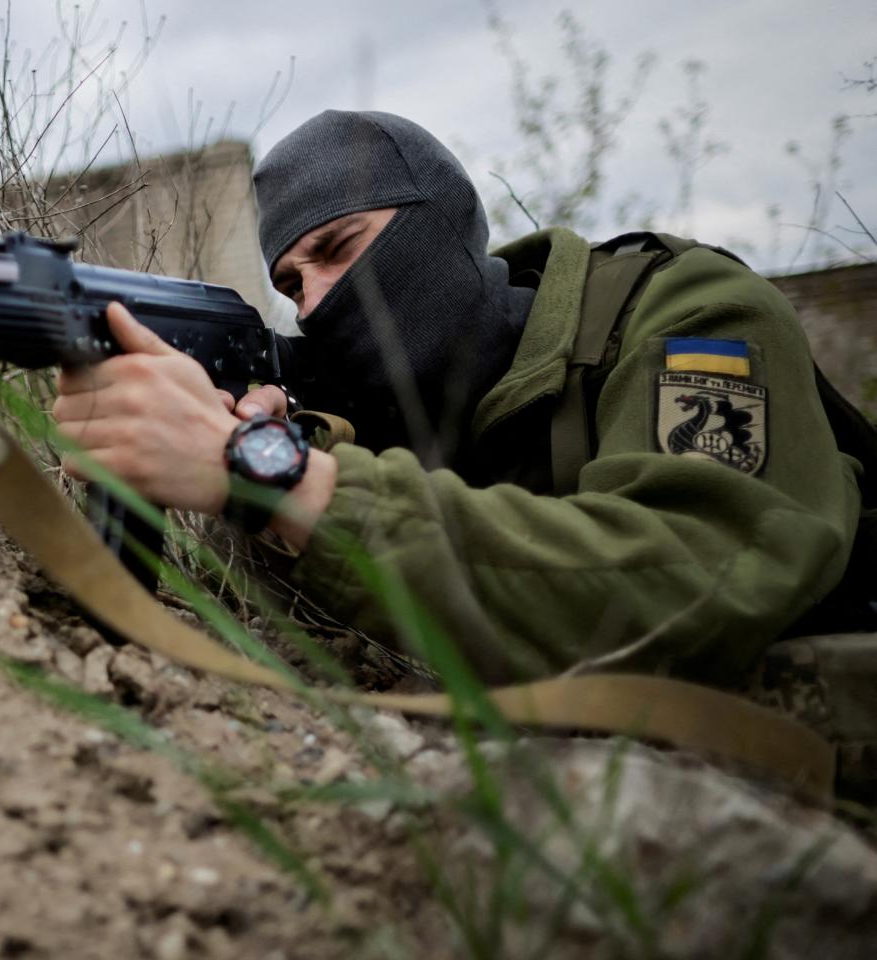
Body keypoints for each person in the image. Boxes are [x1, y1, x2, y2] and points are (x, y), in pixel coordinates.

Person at [52, 109, 868, 686]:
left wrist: (270, 476)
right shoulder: (372, 408)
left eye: (340, 248)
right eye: (291, 283)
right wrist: (275, 459)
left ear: (441, 221)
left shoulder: (683, 311)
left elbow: (701, 573)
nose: (316, 301)